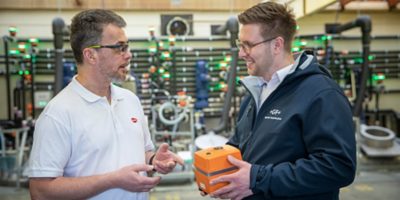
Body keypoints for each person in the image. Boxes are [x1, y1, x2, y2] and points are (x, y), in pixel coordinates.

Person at [206, 2, 356, 200]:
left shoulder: (322, 93)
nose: (241, 53)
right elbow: (240, 146)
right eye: (239, 44)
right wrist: (213, 173)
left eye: (248, 45)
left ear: (277, 44)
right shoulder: (255, 92)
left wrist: (258, 178)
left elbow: (338, 166)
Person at [28, 9, 183, 200]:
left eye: (128, 47)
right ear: (91, 55)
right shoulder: (58, 114)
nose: (129, 55)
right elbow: (40, 191)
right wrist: (112, 180)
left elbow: (141, 152)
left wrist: (154, 160)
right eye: (120, 48)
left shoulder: (129, 100)